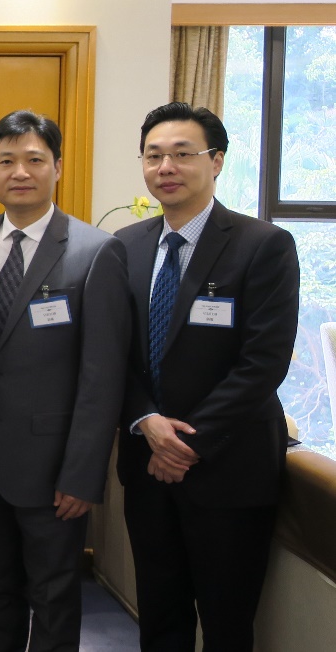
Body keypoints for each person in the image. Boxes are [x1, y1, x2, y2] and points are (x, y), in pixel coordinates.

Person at [116, 103, 298, 652]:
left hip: (229, 469)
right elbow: (112, 354)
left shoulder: (262, 245)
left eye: (182, 153)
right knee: (160, 617)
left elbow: (263, 363)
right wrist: (147, 422)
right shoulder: (125, 246)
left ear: (216, 161)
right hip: (147, 467)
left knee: (226, 622)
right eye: (154, 155)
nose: (166, 166)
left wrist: (184, 444)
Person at [0, 110, 128, 652]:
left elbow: (102, 375)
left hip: (53, 468)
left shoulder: (95, 251)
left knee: (52, 596)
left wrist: (82, 474)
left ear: (57, 167)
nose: (19, 172)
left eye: (34, 160)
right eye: (6, 161)